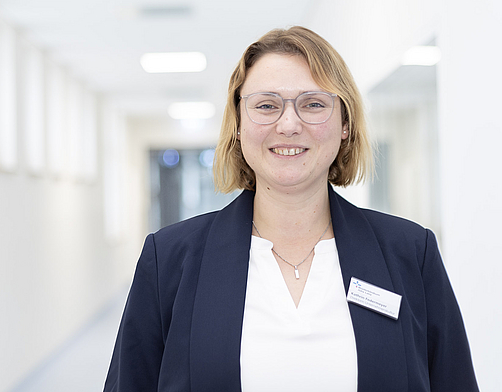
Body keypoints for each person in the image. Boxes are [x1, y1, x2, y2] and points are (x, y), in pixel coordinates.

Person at [103, 26, 479, 391]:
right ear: (238, 125)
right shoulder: (169, 259)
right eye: (266, 105)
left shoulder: (410, 253)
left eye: (313, 104)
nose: (288, 124)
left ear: (345, 124)